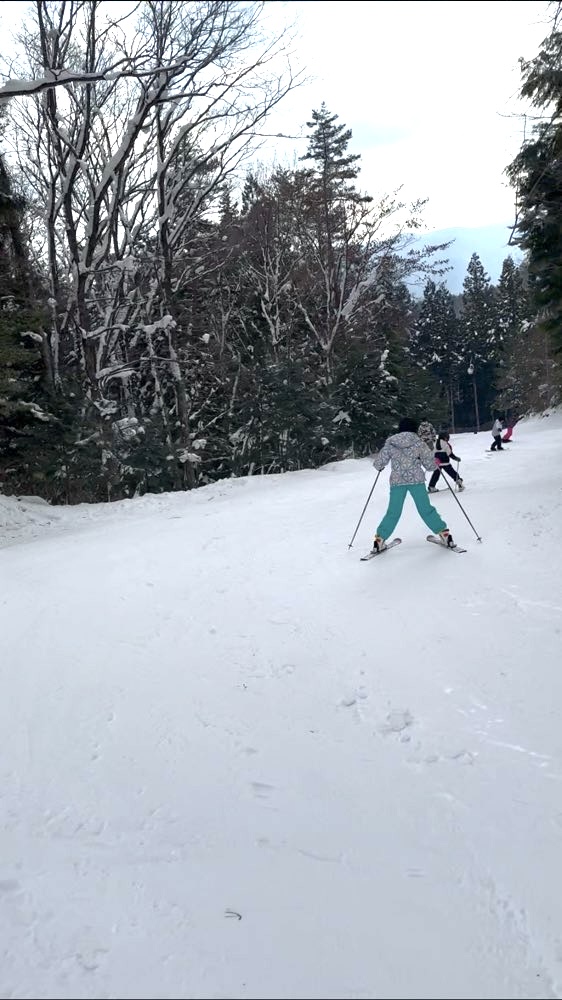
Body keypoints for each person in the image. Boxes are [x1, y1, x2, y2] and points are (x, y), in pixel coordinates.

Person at [371, 417, 456, 552]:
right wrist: (435, 463)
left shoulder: (391, 443)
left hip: (397, 482)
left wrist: (381, 465)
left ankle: (380, 539)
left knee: (393, 511)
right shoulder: (419, 443)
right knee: (425, 509)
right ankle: (444, 534)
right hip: (416, 481)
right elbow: (429, 465)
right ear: (414, 428)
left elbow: (378, 464)